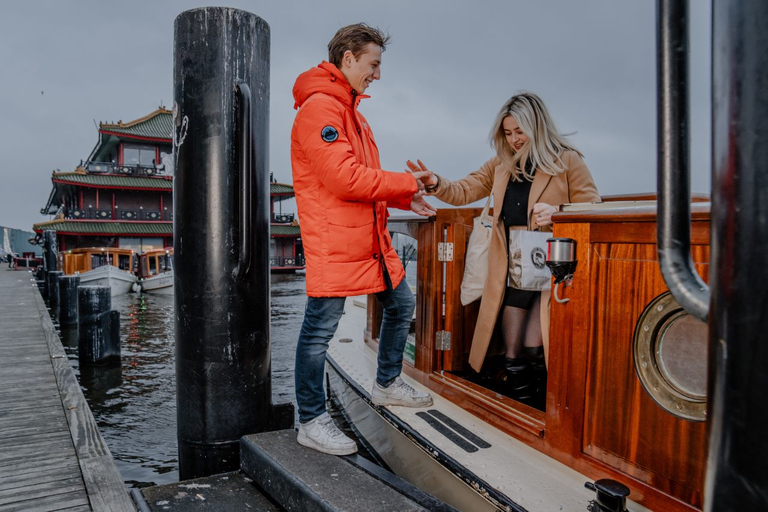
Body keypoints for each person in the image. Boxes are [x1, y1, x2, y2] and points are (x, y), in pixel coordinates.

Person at [291, 23, 435, 456]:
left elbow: (365, 189)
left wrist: (409, 198)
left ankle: (387, 383)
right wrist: (408, 181)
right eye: (373, 64)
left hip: (367, 241)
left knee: (401, 303)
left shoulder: (352, 113)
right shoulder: (320, 110)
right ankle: (311, 420)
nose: (378, 74)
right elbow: (345, 179)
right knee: (320, 331)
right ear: (348, 59)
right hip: (336, 243)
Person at [410, 92, 600, 407]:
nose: (513, 139)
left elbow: (592, 207)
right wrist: (435, 182)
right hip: (513, 271)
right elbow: (463, 190)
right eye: (508, 133)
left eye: (519, 131)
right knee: (513, 352)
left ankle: (549, 414)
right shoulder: (500, 164)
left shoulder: (567, 160)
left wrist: (558, 212)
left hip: (550, 272)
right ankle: (527, 410)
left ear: (537, 126)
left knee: (537, 346)